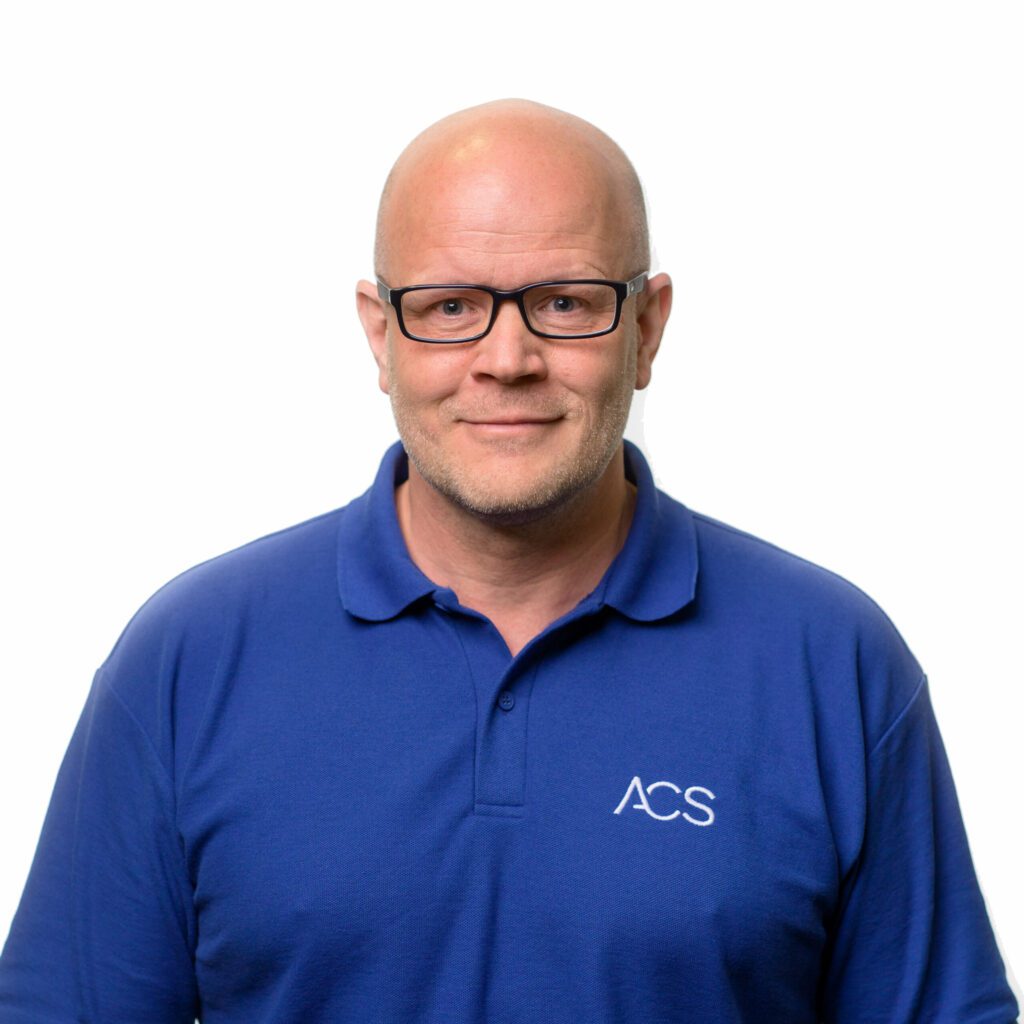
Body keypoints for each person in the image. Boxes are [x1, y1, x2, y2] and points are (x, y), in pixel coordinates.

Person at [0, 98, 1017, 1024]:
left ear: (647, 328)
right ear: (380, 335)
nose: (506, 358)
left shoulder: (831, 662)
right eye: (449, 306)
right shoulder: (187, 660)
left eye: (565, 302)